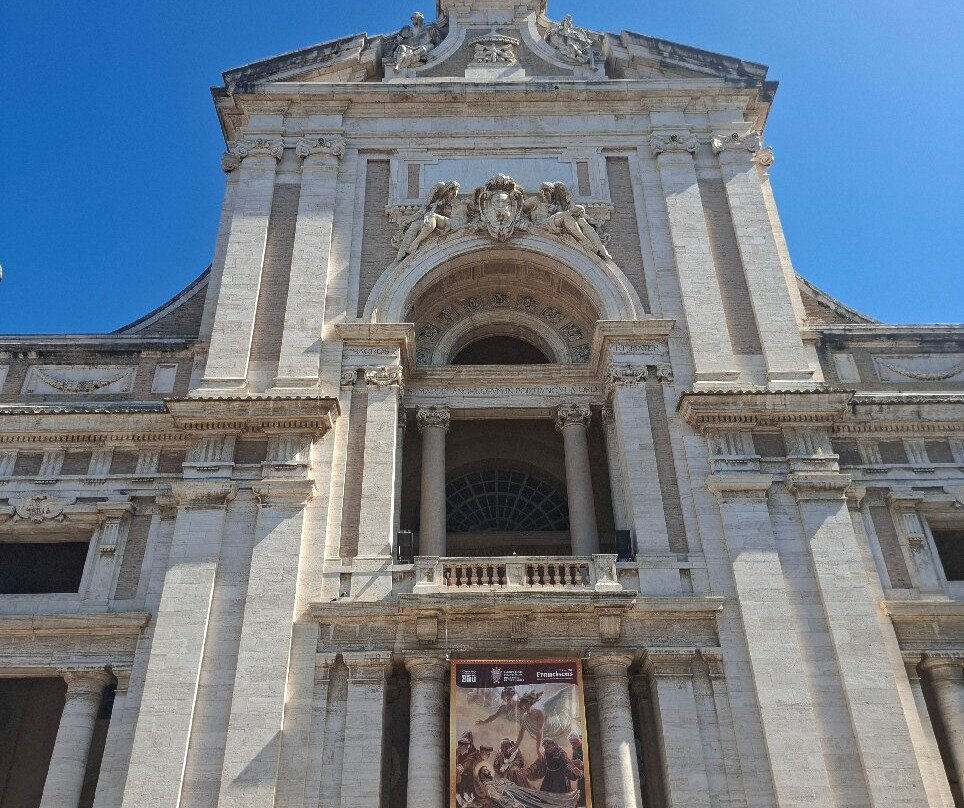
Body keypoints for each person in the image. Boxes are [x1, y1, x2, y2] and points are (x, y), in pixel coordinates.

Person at [568, 732, 586, 805]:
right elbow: (574, 761)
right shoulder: (575, 748)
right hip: (581, 775)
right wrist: (573, 766)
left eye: (574, 743)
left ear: (578, 740)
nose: (572, 745)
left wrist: (582, 764)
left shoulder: (585, 746)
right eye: (571, 743)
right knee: (580, 790)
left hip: (589, 774)